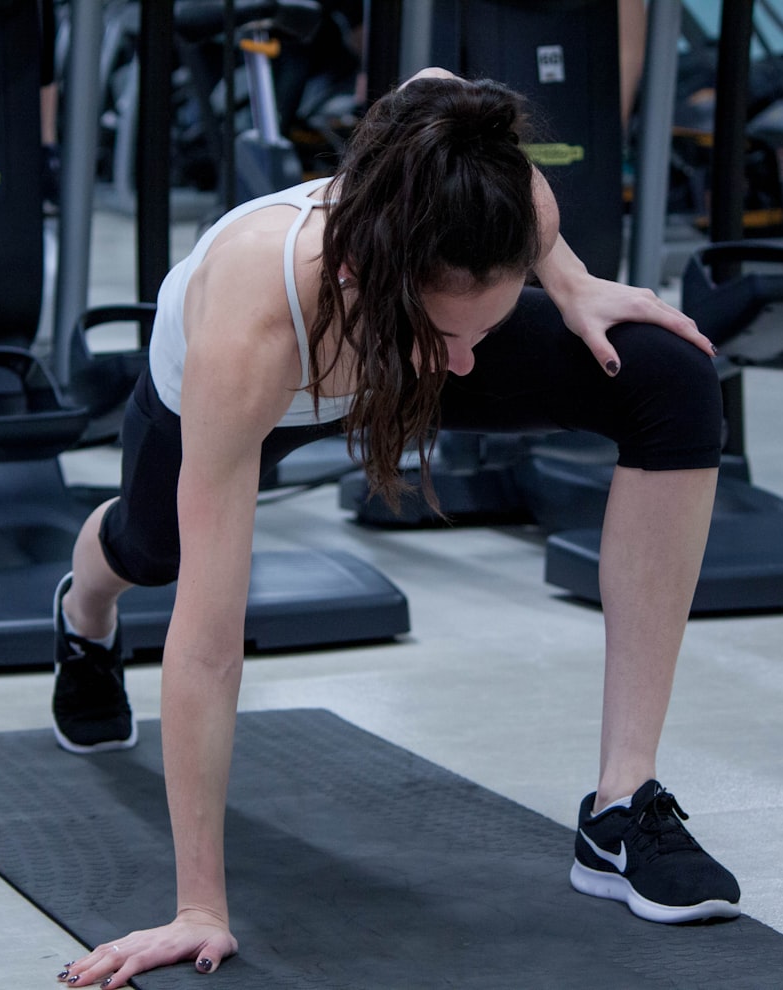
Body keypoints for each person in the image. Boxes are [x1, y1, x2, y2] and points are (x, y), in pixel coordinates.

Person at [53, 69, 739, 988]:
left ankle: (620, 806)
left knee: (669, 377)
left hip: (385, 342)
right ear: (357, 271)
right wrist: (198, 910)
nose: (463, 366)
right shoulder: (246, 335)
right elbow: (210, 647)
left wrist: (569, 282)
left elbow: (437, 88)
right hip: (265, 379)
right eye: (449, 337)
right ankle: (82, 611)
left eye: (480, 332)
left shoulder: (492, 202)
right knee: (155, 553)